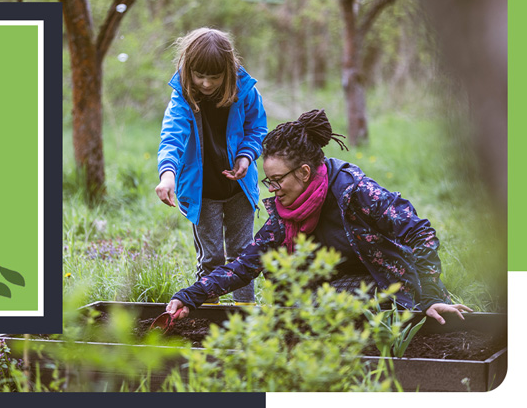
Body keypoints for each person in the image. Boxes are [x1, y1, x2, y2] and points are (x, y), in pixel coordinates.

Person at [165, 109, 472, 324]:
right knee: (299, 306)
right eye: (268, 181)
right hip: (337, 292)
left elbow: (420, 232)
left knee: (315, 307)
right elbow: (245, 265)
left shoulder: (356, 194)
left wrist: (431, 296)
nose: (271, 189)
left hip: (387, 286)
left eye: (276, 180)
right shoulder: (286, 214)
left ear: (304, 172)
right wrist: (189, 296)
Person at [156, 28, 268, 305]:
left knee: (243, 254)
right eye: (199, 75)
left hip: (239, 188)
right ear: (188, 70)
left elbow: (257, 128)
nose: (206, 84)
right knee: (212, 257)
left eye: (214, 77)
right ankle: (207, 311)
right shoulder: (182, 97)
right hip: (201, 192)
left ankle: (245, 312)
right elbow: (172, 137)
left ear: (228, 71)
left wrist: (245, 156)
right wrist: (167, 175)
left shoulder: (246, 91)